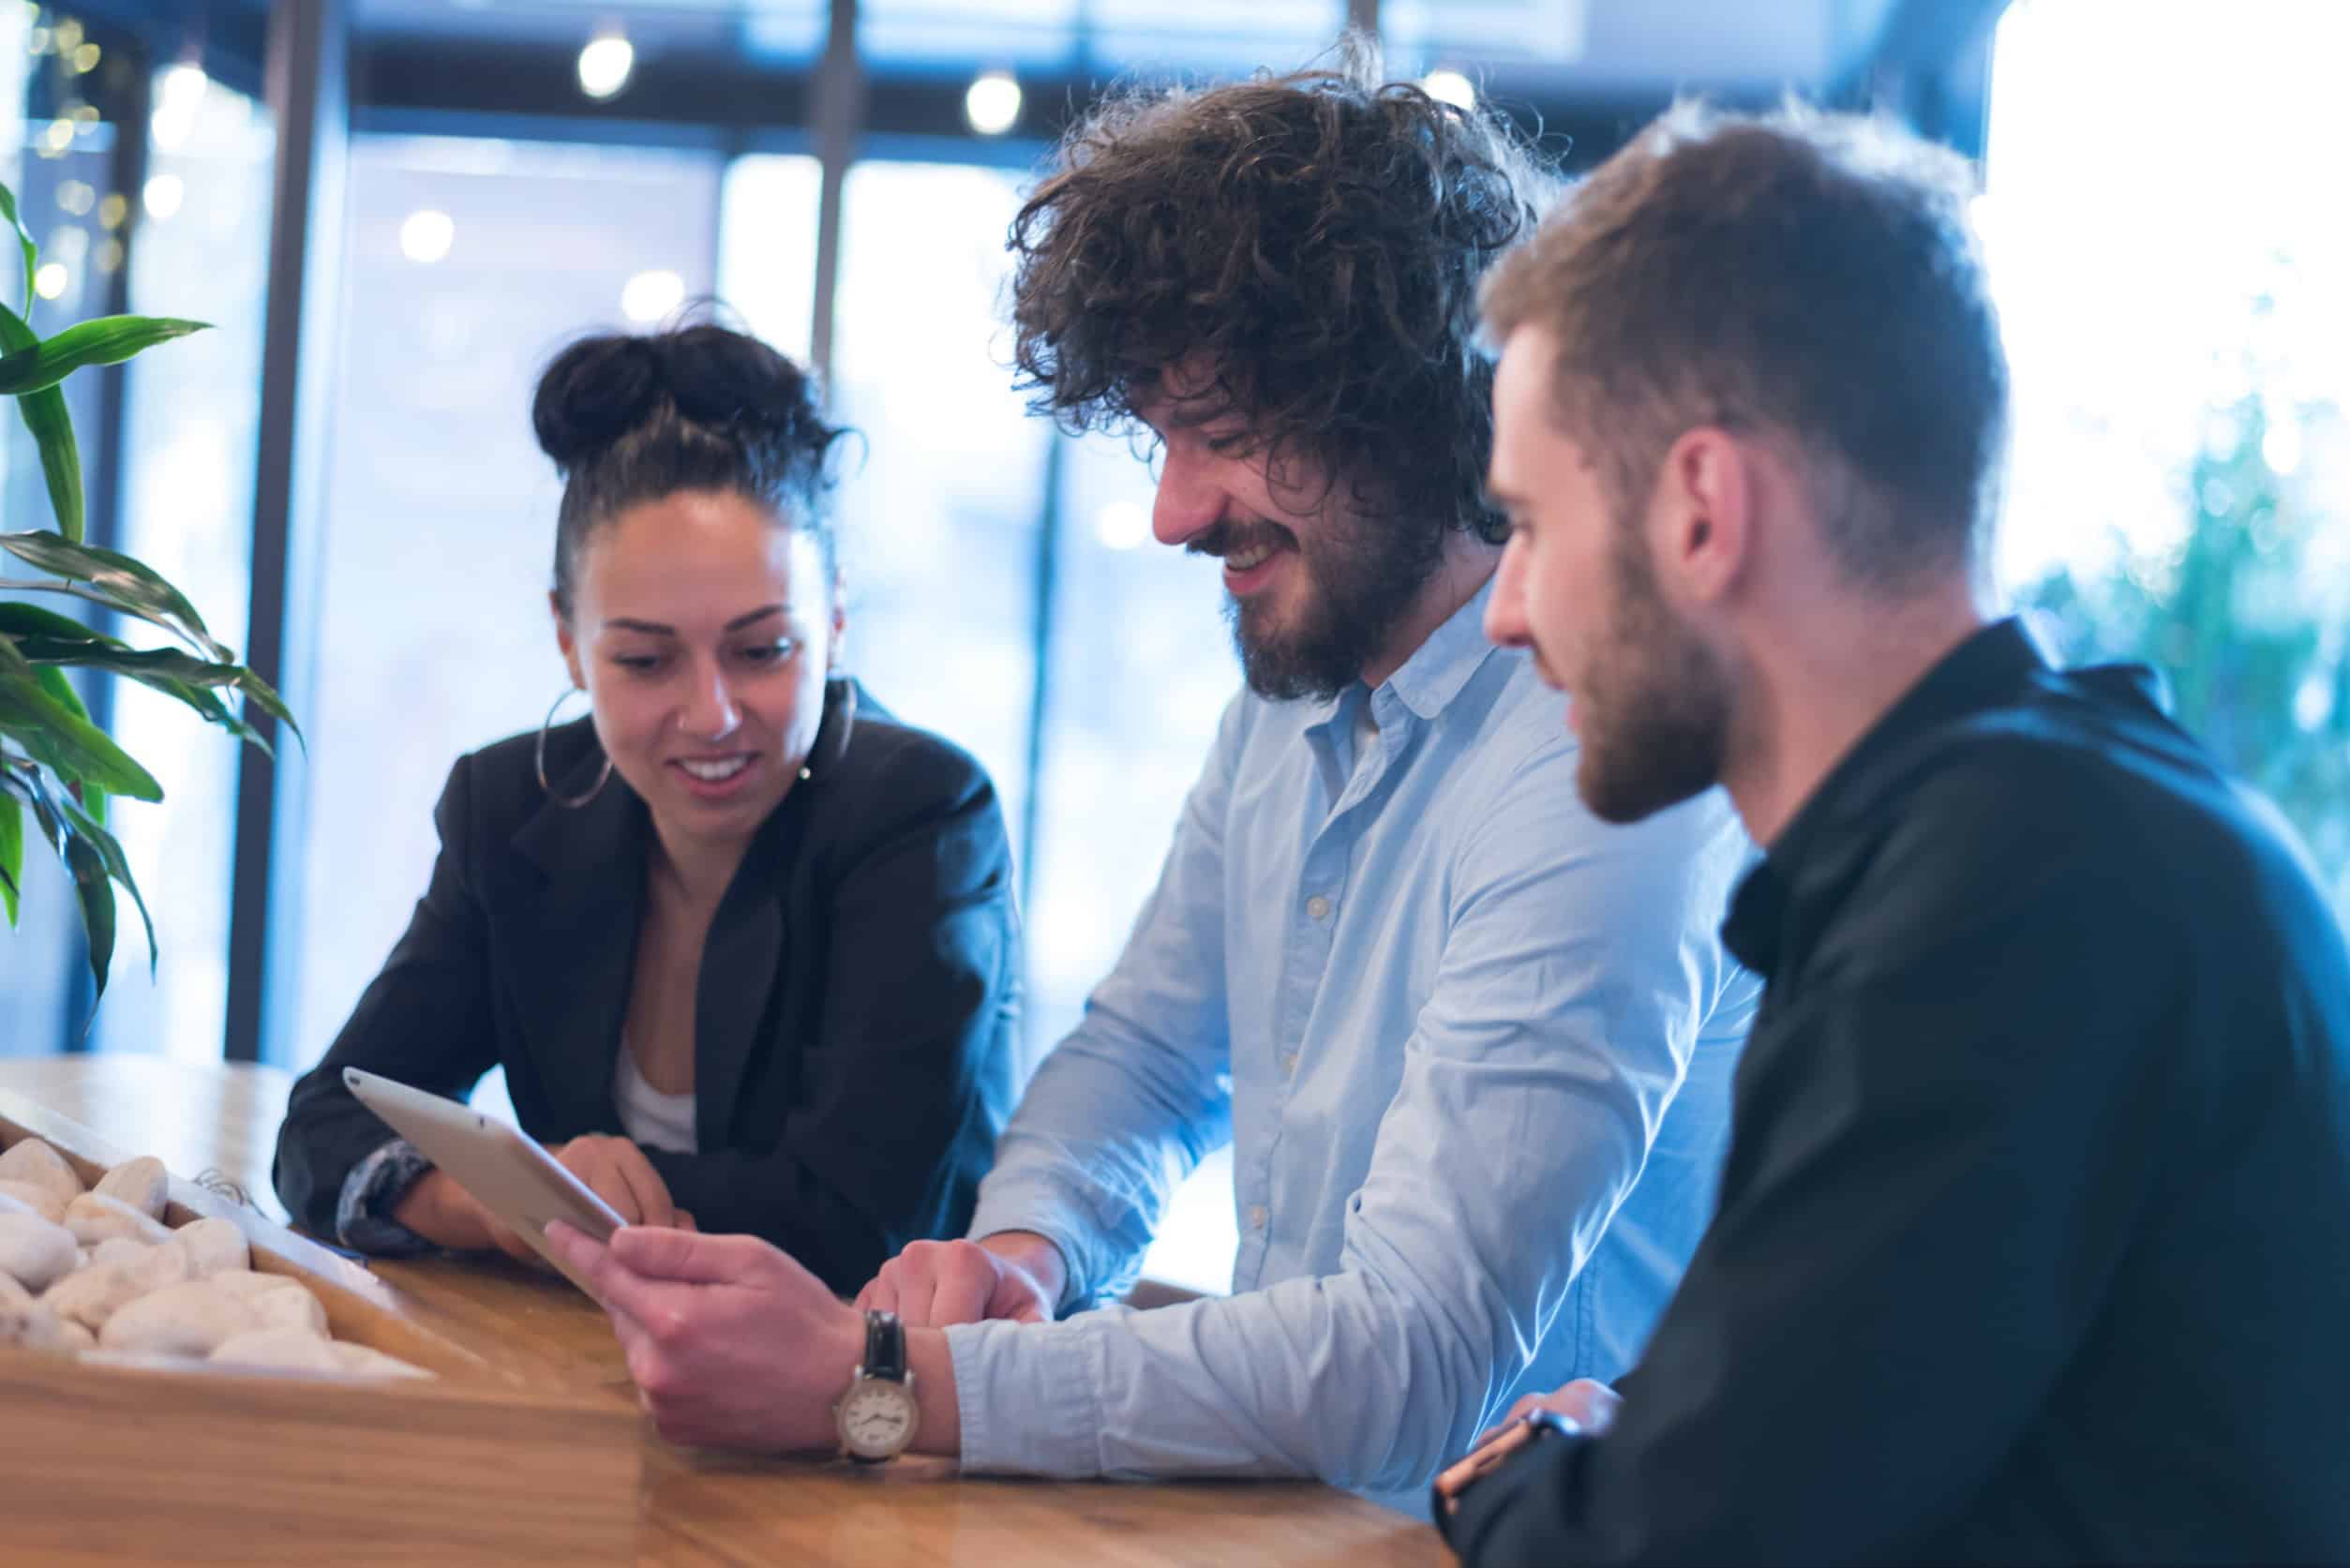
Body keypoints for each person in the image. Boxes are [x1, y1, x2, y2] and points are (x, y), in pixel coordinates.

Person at [548, 59, 1760, 1508]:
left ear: (1406, 401)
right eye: (1159, 435)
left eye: (1227, 435)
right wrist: (1023, 1254)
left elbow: (1409, 1357)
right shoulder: (1299, 690)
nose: (1172, 509)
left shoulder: (1597, 765)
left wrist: (879, 1380)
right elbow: (1144, 1057)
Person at [1432, 102, 2350, 1563]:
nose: (1503, 610)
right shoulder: (2074, 821)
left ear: (1698, 511)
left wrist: (1503, 1490)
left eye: (1529, 524)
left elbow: (1674, 1548)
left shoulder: (2004, 896)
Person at [275, 323, 1023, 1296]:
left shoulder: (919, 813)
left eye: (762, 650)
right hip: (584, 1367)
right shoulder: (509, 806)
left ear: (833, 621)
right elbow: (325, 1122)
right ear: (568, 640)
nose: (710, 712)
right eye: (644, 658)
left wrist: (543, 1194)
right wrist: (492, 1204)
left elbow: (855, 1220)